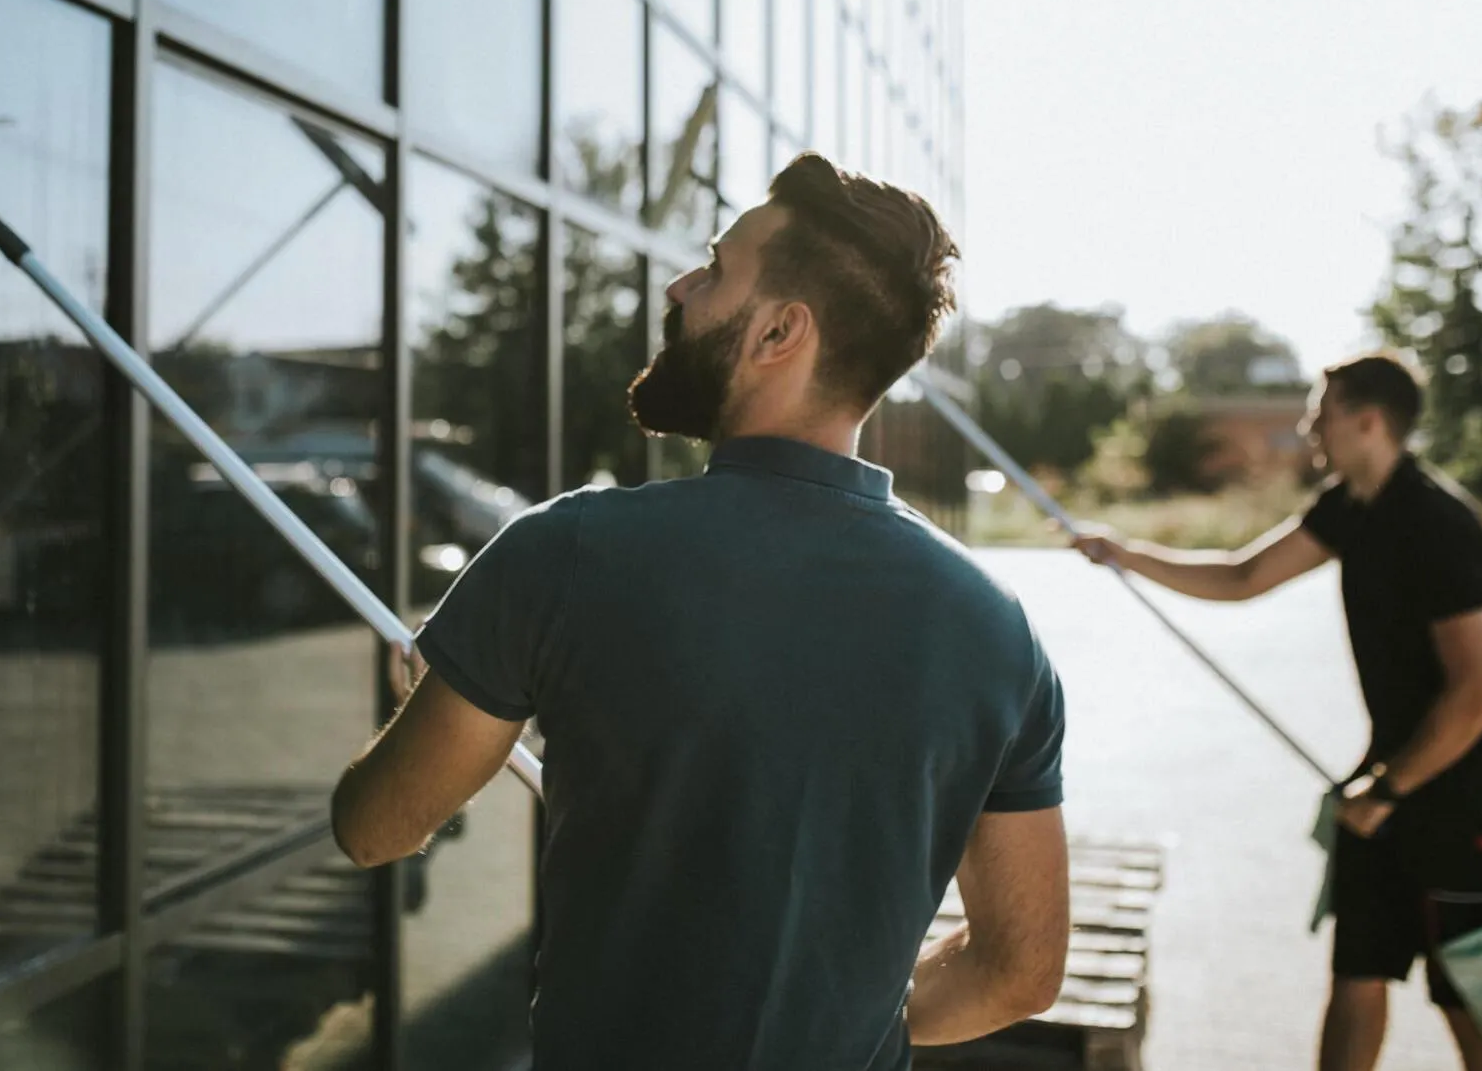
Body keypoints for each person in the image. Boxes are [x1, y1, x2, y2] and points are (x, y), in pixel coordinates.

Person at [333, 154, 1071, 1069]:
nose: (681, 287)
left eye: (716, 269)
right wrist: (841, 1025)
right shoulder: (999, 630)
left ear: (779, 332)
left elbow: (375, 826)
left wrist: (426, 707)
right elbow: (1022, 968)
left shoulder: (565, 552)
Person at [1072, 353, 1482, 1071]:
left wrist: (1386, 790)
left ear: (1368, 420)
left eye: (1321, 411)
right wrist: (1123, 553)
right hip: (1380, 785)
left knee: (1470, 992)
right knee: (1358, 968)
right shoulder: (1349, 507)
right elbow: (1244, 575)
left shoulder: (1439, 525)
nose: (1307, 426)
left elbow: (1477, 695)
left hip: (1462, 799)